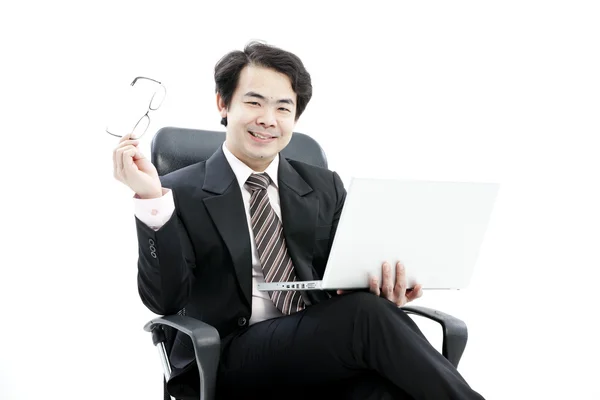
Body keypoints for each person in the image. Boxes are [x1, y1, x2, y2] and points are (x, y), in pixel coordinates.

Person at [113, 41, 485, 400]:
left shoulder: (323, 186)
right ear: (223, 104)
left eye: (283, 108)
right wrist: (151, 200)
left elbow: (343, 287)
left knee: (389, 390)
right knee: (365, 318)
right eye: (254, 102)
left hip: (317, 353)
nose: (268, 120)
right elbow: (165, 299)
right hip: (229, 356)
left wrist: (384, 290)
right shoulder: (179, 192)